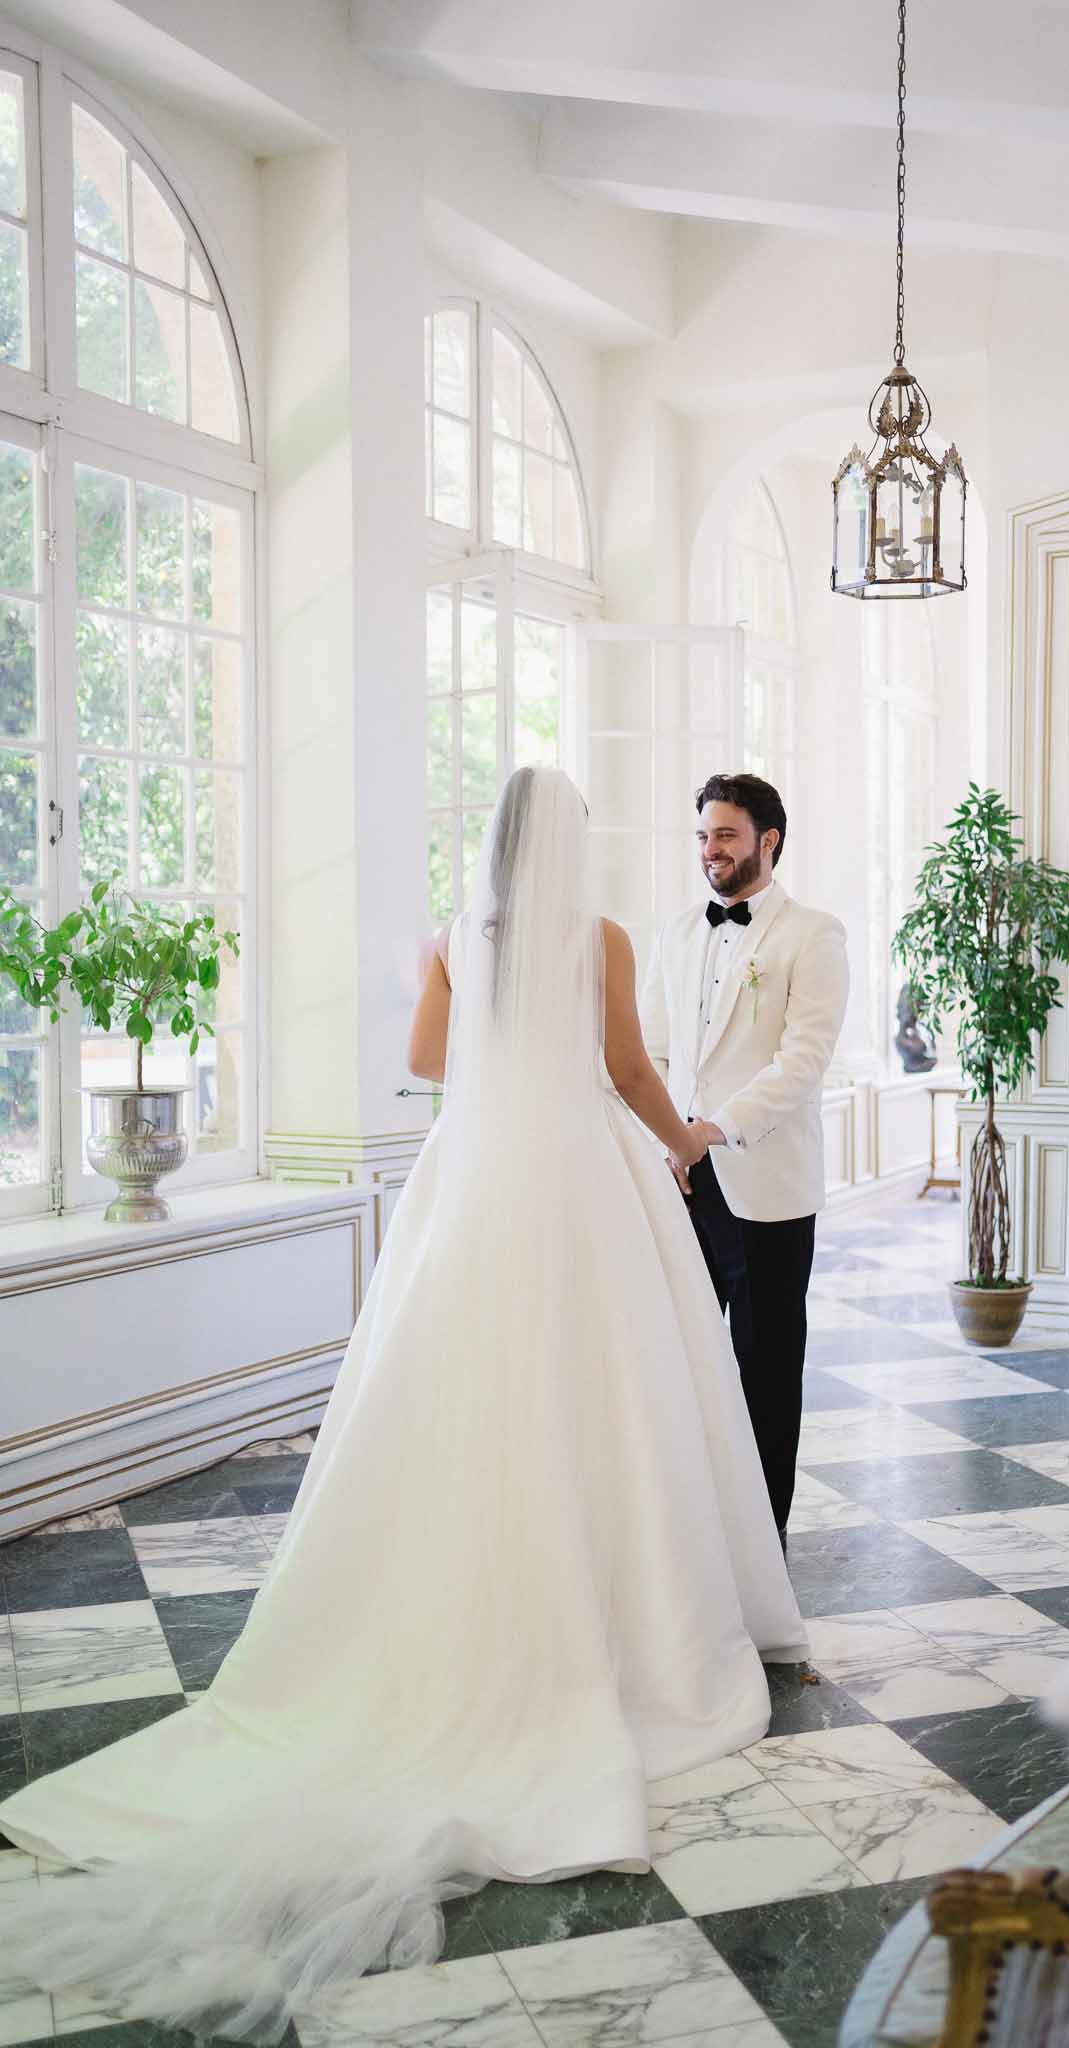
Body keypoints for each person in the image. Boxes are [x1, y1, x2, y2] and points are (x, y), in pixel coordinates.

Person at [0, 767, 806, 2044]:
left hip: (473, 1176)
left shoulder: (452, 936)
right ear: (568, 849)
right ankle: (626, 1612)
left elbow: (428, 1059)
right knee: (616, 1395)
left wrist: (445, 994)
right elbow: (626, 1061)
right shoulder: (594, 936)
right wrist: (687, 1141)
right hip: (581, 1176)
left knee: (457, 1388)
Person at [641, 774, 850, 1551]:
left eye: (725, 835)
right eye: (702, 836)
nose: (710, 851)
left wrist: (713, 1129)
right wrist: (667, 1139)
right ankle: (690, 1537)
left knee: (764, 1375)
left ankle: (764, 1545)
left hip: (765, 1184)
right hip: (679, 1179)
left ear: (768, 840)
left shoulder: (812, 934)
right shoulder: (673, 933)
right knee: (680, 1364)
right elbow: (653, 1049)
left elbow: (801, 1063)